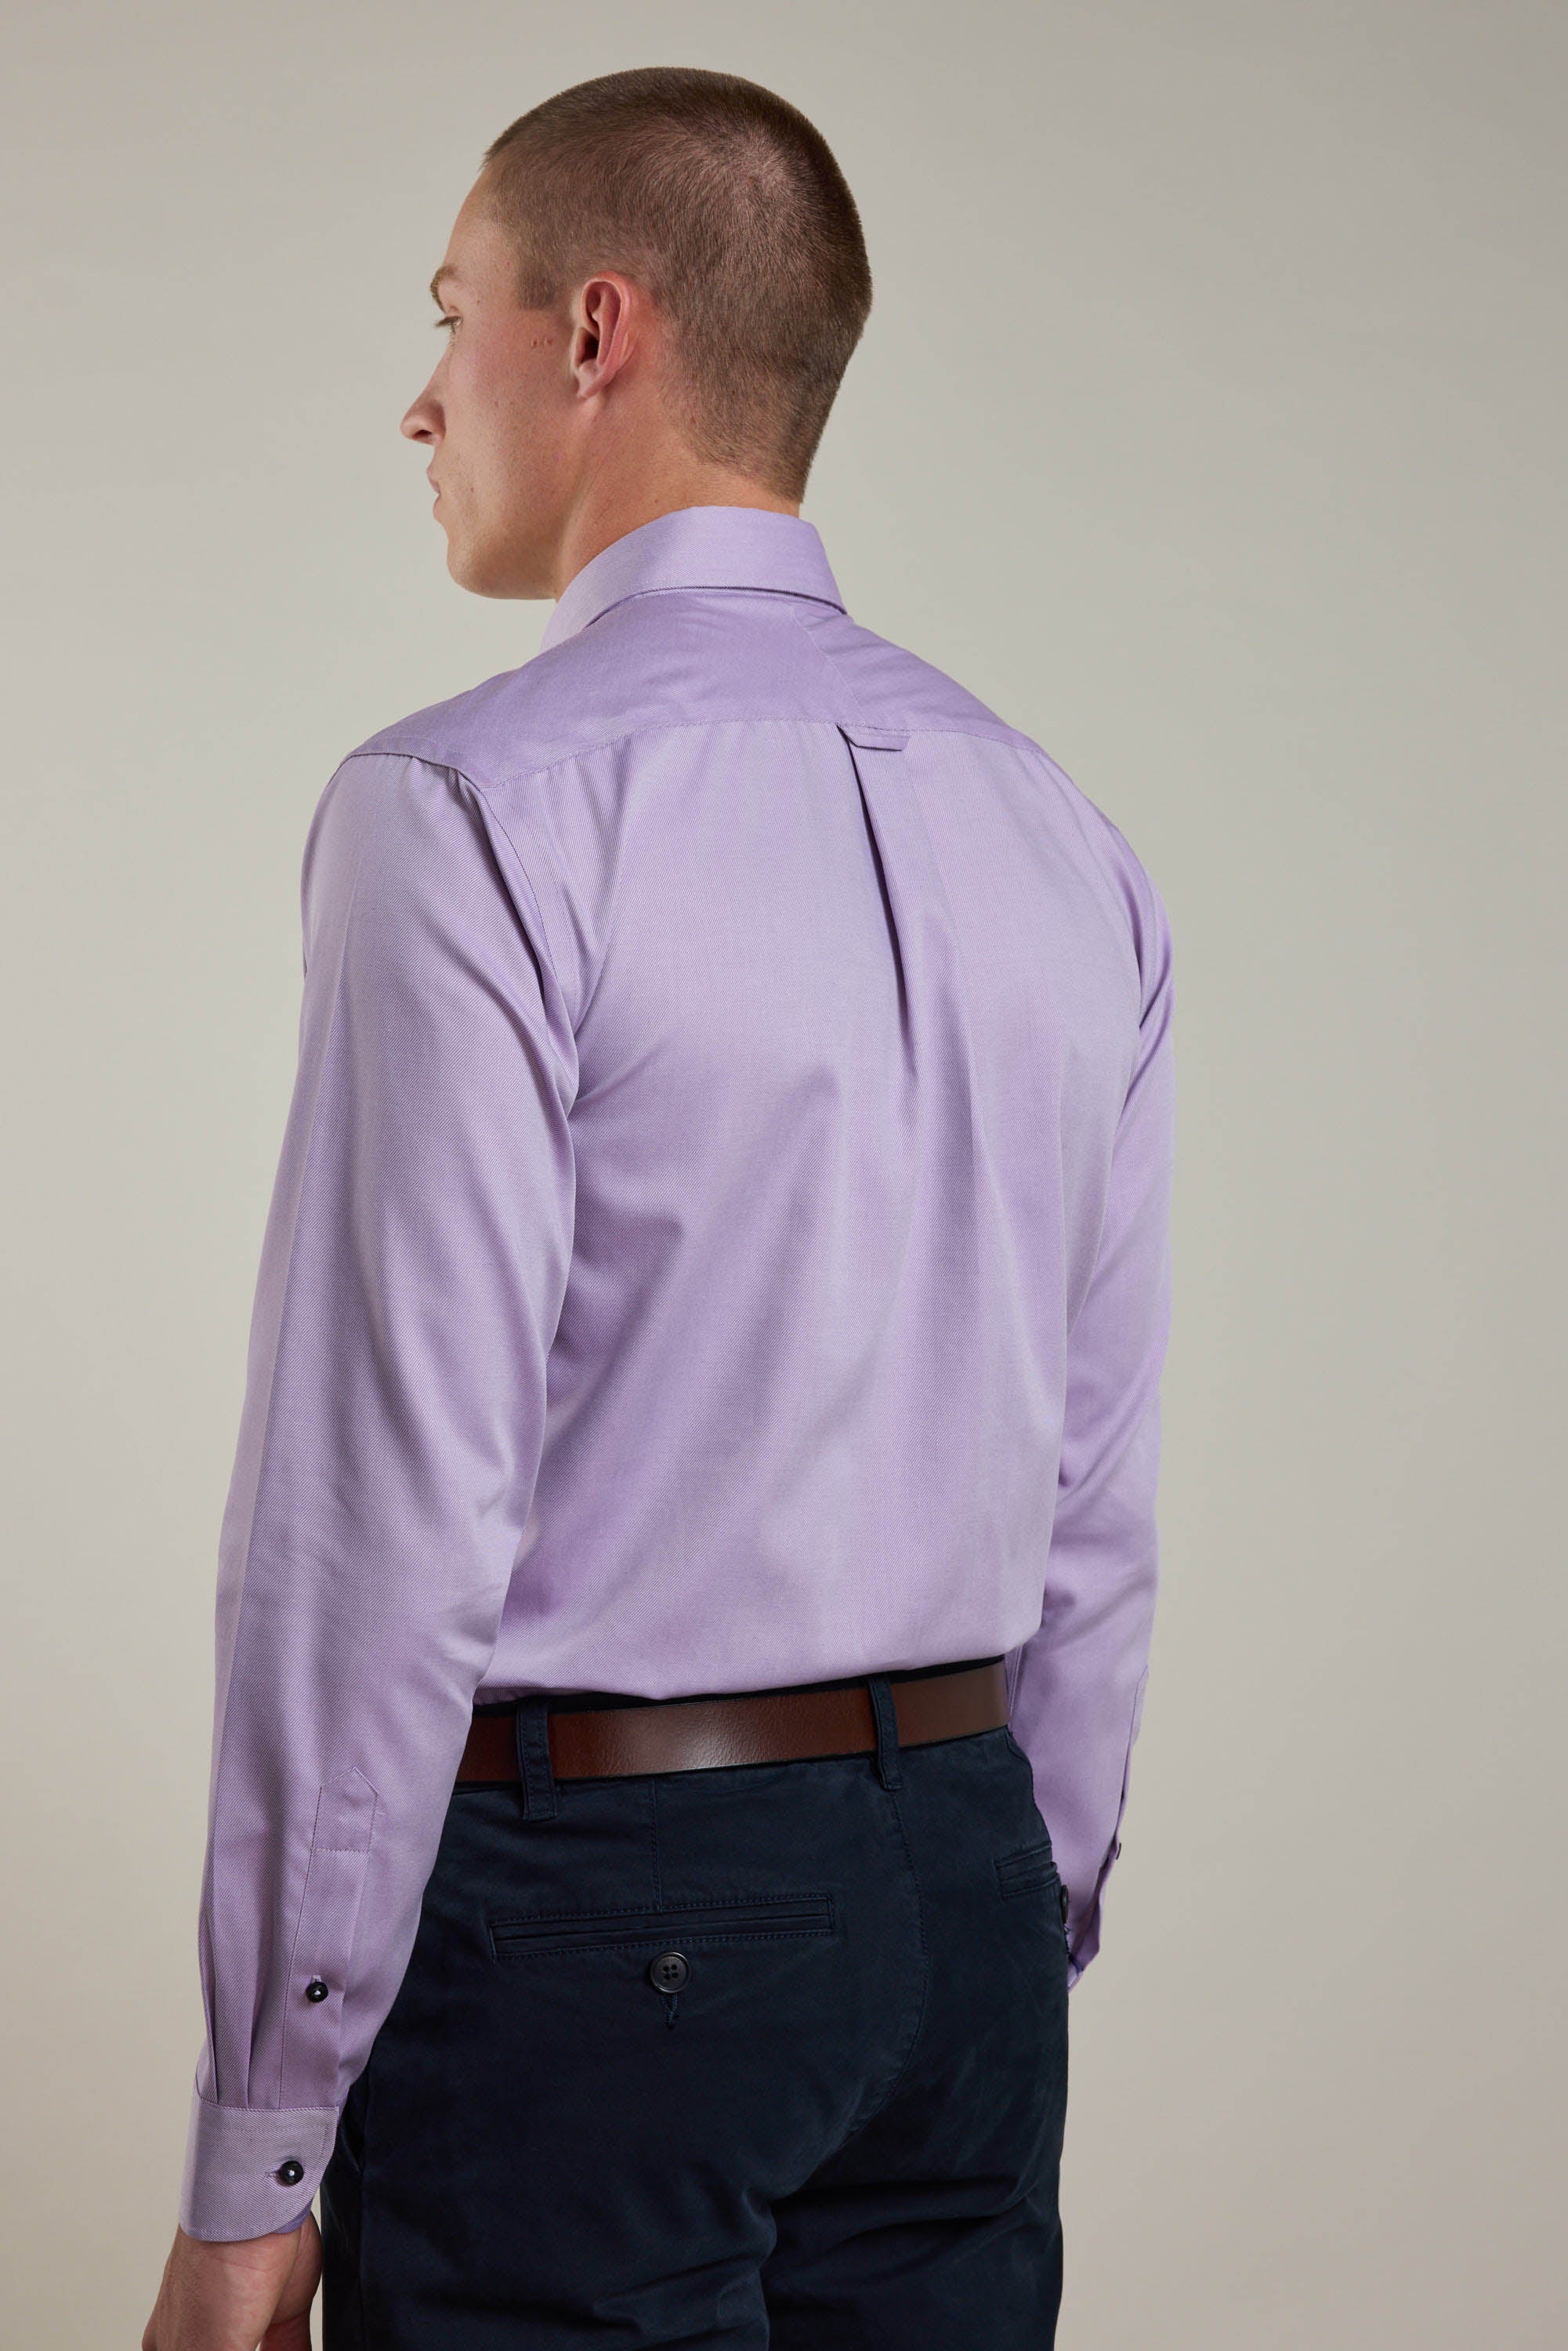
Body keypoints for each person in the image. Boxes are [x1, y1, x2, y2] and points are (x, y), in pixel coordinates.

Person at [143, 63, 1174, 2351]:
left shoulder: (468, 811)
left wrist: (259, 2154)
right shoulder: (1057, 830)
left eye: (454, 314)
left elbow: (377, 1522)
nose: (423, 398)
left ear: (595, 331)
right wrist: (1013, 1902)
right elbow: (1095, 1476)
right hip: (963, 1903)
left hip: (605, 1921)